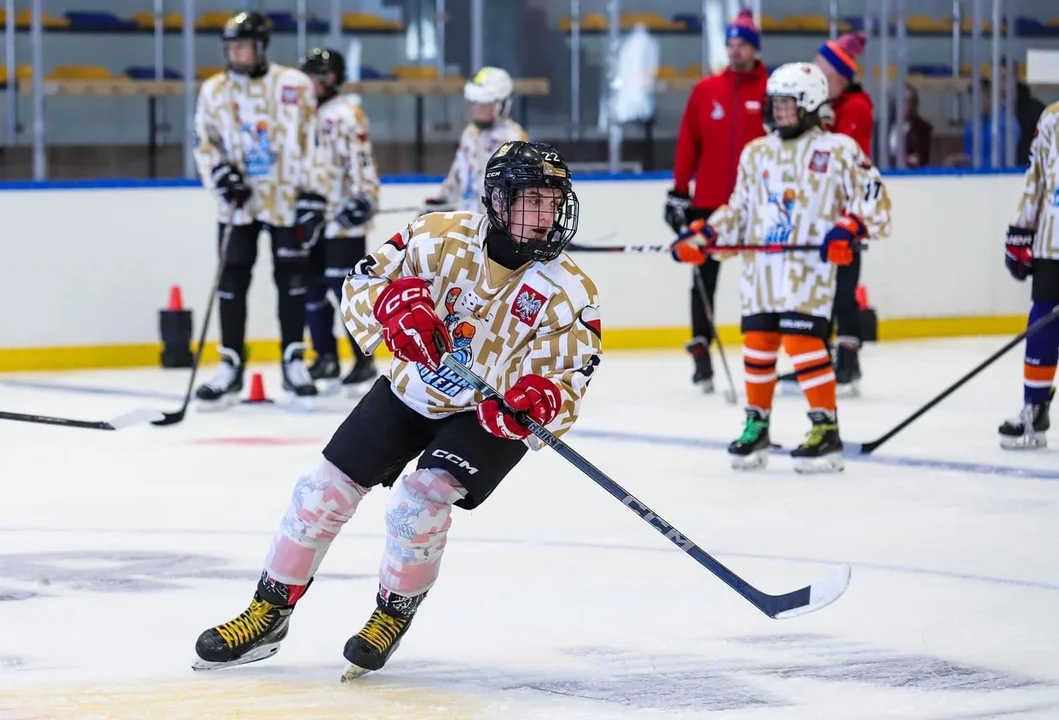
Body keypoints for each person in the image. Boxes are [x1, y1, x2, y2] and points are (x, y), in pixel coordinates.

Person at [191, 141, 602, 678]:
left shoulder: (570, 290)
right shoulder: (436, 237)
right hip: (412, 387)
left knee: (421, 501)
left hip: (486, 412)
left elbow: (569, 374)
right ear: (498, 202)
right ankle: (269, 610)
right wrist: (390, 311)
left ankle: (391, 614)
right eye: (532, 201)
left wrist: (540, 401)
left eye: (554, 202)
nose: (546, 216)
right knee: (321, 490)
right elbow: (362, 282)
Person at [670, 62, 892, 473]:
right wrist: (704, 237)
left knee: (802, 342)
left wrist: (849, 227)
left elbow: (874, 196)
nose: (776, 110)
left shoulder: (839, 149)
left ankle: (825, 430)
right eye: (774, 102)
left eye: (786, 103)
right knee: (758, 341)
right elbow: (739, 210)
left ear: (809, 104)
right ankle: (757, 423)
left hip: (807, 268)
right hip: (763, 269)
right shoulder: (757, 153)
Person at [192, 11, 323, 403]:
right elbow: (204, 141)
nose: (235, 54)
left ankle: (293, 360)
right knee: (231, 277)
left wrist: (313, 192)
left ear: (261, 47)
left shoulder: (294, 84)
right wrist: (219, 175)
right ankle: (230, 363)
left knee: (292, 276)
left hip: (284, 196)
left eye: (242, 46)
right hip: (238, 201)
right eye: (230, 47)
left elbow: (312, 140)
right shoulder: (214, 90)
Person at [665, 8, 768, 392]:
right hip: (709, 204)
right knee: (703, 278)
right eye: (730, 43)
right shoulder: (706, 91)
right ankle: (700, 350)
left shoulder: (772, 91)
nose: (735, 50)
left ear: (755, 48)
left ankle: (764, 346)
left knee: (760, 277)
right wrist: (679, 190)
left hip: (757, 205)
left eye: (742, 43)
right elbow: (687, 145)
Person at [774, 30, 874, 396]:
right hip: (813, 221)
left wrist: (825, 125)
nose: (814, 77)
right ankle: (817, 361)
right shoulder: (817, 110)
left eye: (822, 70)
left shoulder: (858, 107)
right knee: (817, 296)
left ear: (840, 77)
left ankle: (847, 365)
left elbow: (851, 166)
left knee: (843, 294)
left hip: (845, 220)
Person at [300, 47, 381, 393]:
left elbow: (362, 160)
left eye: (325, 74)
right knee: (310, 287)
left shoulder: (347, 114)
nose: (318, 82)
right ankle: (325, 356)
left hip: (343, 219)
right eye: (312, 75)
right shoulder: (300, 115)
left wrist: (364, 198)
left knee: (343, 290)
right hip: (310, 216)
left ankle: (363, 360)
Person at [998, 100, 1059, 449]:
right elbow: (1035, 178)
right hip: (1054, 240)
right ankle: (1034, 409)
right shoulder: (1052, 118)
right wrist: (1021, 230)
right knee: (1043, 324)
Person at [423, 66, 528, 214]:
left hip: (498, 225)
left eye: (482, 105)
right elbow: (459, 173)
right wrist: (441, 201)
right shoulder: (470, 134)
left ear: (502, 105)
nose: (475, 110)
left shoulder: (514, 139)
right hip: (468, 222)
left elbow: (522, 190)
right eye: (473, 104)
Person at [888, 82, 933, 168]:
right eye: (898, 101)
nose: (901, 105)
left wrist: (905, 159)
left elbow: (920, 158)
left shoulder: (923, 129)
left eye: (906, 101)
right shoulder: (883, 128)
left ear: (914, 105)